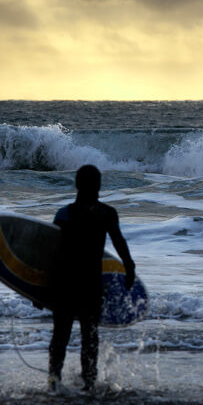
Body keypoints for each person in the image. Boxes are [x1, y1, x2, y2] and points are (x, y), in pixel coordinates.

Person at [49, 164, 135, 391]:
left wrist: (41, 288)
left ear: (77, 185)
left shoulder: (64, 214)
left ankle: (53, 381)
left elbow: (53, 253)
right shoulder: (107, 214)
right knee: (90, 337)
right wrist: (130, 268)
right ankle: (89, 383)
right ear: (98, 185)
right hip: (90, 284)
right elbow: (119, 243)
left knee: (60, 337)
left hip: (65, 283)